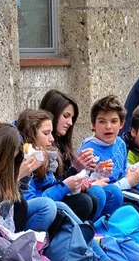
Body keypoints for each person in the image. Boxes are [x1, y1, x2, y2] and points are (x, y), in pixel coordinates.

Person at [16, 109, 137, 261]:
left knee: (94, 195)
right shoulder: (27, 159)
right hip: (27, 219)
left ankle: (97, 256)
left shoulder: (47, 157)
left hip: (52, 206)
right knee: (60, 206)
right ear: (31, 135)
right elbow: (33, 200)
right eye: (46, 133)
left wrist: (79, 182)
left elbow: (54, 184)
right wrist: (66, 185)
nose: (51, 139)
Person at [38, 89, 101, 221]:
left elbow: (64, 179)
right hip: (46, 202)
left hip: (60, 194)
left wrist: (85, 176)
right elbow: (50, 185)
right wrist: (75, 169)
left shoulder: (63, 143)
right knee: (85, 202)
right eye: (66, 116)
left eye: (72, 118)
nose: (70, 123)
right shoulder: (38, 147)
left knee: (94, 197)